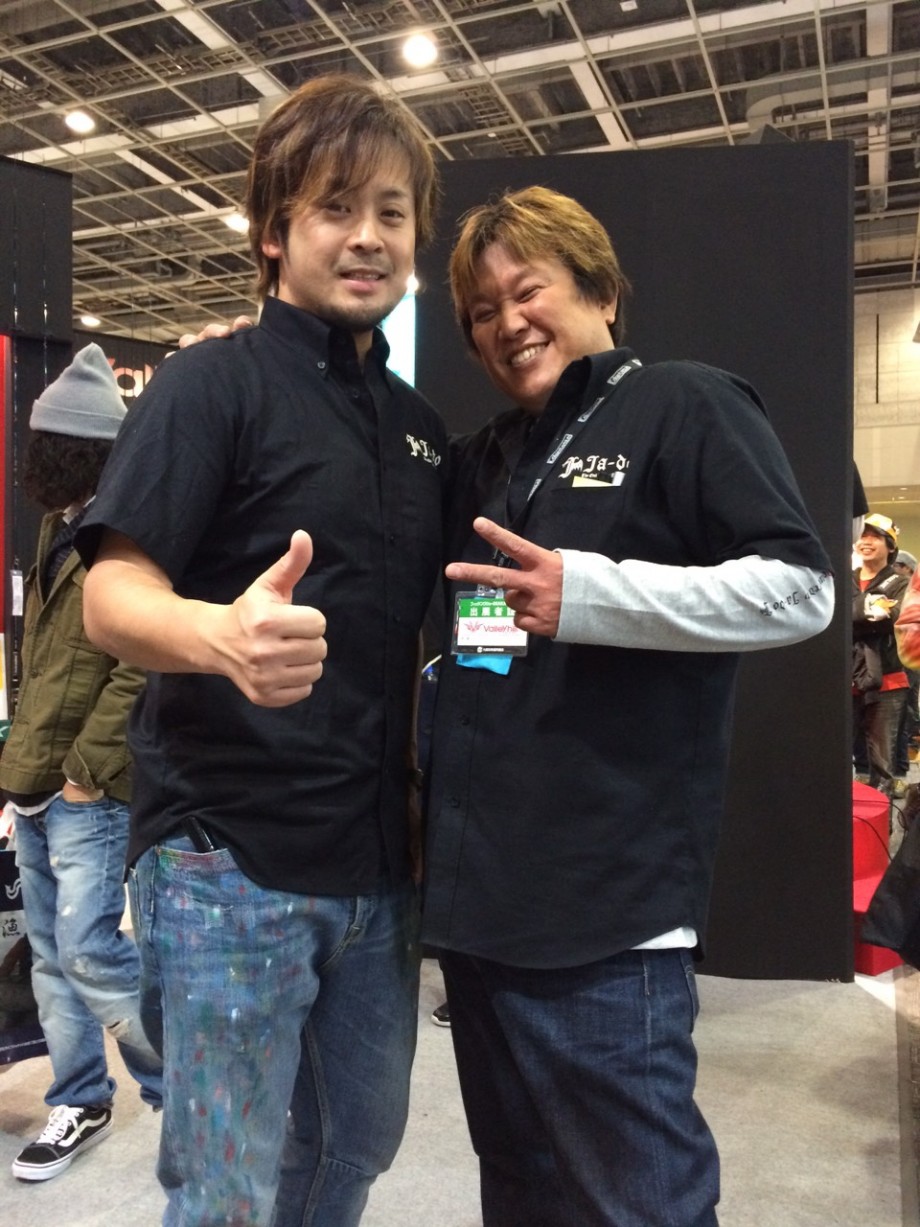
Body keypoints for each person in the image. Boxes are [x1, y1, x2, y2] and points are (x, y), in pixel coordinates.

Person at [420, 186, 834, 1227]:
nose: (506, 323)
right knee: (520, 1194)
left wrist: (591, 593)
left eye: (527, 291)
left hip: (607, 918)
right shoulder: (489, 458)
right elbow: (484, 644)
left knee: (636, 1206)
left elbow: (800, 588)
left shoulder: (685, 404)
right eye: (480, 311)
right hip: (483, 914)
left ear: (601, 289)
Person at [75, 76, 446, 1226]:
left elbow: (451, 623)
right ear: (274, 229)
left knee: (354, 1145)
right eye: (336, 207)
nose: (367, 236)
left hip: (377, 864)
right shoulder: (209, 385)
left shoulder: (419, 430)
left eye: (390, 212)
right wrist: (219, 636)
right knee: (224, 1187)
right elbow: (110, 595)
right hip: (225, 860)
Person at [0, 344, 162, 1183]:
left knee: (91, 950)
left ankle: (186, 1085)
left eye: (51, 444)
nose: (37, 460)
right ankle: (81, 1096)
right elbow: (40, 656)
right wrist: (19, 766)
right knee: (52, 957)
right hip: (37, 778)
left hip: (86, 787)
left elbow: (140, 662)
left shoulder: (127, 529)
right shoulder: (57, 524)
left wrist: (85, 770)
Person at [852, 513, 909, 795]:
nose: (866, 541)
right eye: (863, 535)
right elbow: (829, 617)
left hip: (888, 680)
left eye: (875, 536)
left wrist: (853, 613)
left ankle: (880, 820)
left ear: (890, 545)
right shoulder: (843, 578)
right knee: (834, 754)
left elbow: (895, 619)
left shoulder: (900, 582)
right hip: (846, 678)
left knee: (882, 763)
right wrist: (867, 610)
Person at [893, 550, 920, 784]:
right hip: (894, 659)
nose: (895, 569)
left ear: (909, 569)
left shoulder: (910, 591)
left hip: (908, 661)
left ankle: (901, 770)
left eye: (899, 565)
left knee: (905, 709)